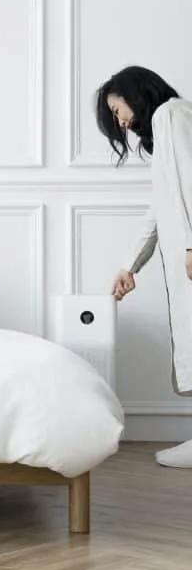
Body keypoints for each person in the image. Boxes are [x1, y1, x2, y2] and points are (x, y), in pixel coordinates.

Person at [100, 65, 192, 467]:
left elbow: (190, 182)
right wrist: (130, 265)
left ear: (134, 93)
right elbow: (160, 206)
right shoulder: (170, 120)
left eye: (117, 109)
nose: (120, 121)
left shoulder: (171, 114)